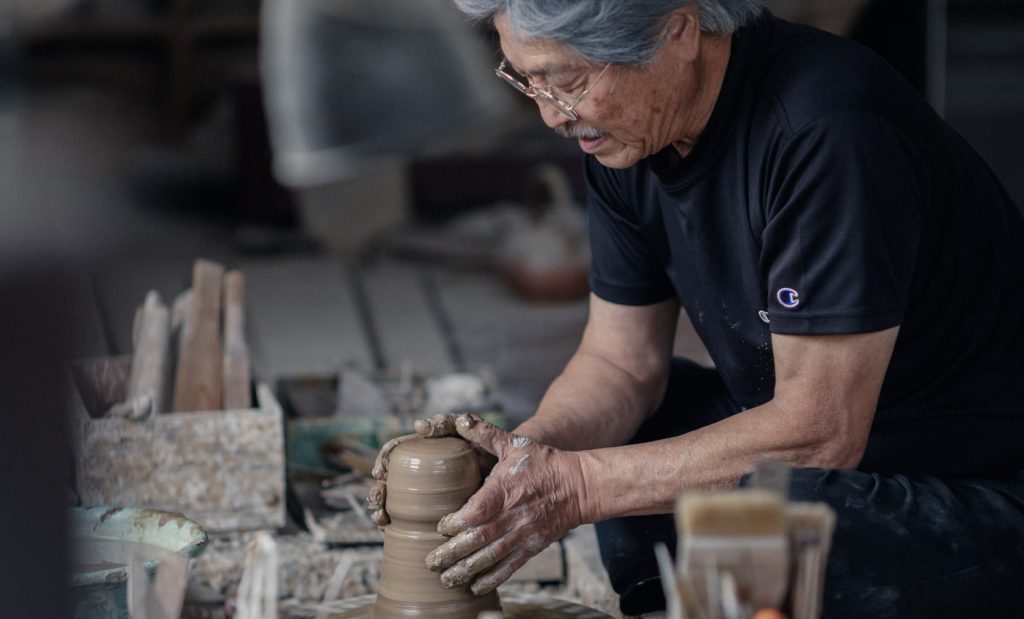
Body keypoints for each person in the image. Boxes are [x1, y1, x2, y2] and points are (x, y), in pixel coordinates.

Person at [369, 1, 1024, 616]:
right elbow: (620, 365)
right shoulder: (628, 134)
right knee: (648, 425)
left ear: (677, 32)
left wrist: (577, 487)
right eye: (528, 81)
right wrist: (522, 460)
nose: (552, 114)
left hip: (975, 489)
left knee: (774, 509)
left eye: (566, 80)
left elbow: (820, 430)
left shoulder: (827, 130)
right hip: (851, 462)